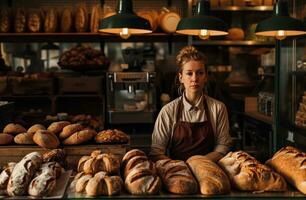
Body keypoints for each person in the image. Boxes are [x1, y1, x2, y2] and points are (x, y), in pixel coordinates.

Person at [149, 46, 232, 162]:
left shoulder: (218, 108)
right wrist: (180, 167)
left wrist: (198, 163)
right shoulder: (168, 111)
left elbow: (223, 147)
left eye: (200, 73)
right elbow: (156, 152)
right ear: (181, 77)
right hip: (177, 173)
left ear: (206, 76)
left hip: (209, 171)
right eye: (189, 73)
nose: (195, 78)